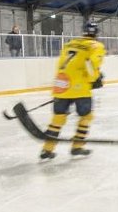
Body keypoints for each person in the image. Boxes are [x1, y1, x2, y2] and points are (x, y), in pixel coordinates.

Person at [39, 22, 106, 160]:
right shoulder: (96, 46)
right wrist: (95, 79)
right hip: (80, 88)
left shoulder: (69, 44)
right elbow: (91, 64)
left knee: (58, 118)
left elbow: (62, 64)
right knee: (86, 117)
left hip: (61, 85)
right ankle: (77, 146)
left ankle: (47, 149)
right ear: (96, 33)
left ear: (83, 32)